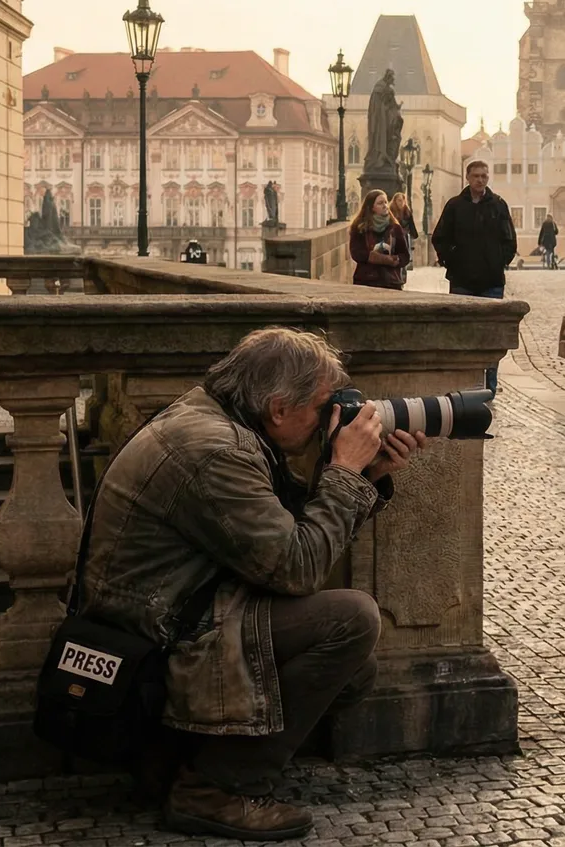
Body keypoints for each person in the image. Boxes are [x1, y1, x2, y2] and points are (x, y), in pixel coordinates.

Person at [81, 327, 426, 840]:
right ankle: (215, 789)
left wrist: (365, 476)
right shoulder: (215, 450)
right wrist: (343, 472)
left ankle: (181, 760)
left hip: (178, 609)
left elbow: (280, 534)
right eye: (322, 407)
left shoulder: (218, 418)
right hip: (158, 636)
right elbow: (298, 567)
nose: (330, 420)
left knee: (355, 670)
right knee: (352, 621)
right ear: (280, 409)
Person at [431, 160, 517, 392]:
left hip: (491, 281)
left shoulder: (498, 205)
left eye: (484, 176)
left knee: (491, 336)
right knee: (461, 333)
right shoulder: (455, 205)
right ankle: (463, 384)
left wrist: (499, 262)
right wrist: (450, 259)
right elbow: (440, 237)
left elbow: (510, 240)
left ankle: (489, 385)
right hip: (462, 280)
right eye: (476, 176)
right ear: (467, 177)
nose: (480, 180)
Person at [348, 190, 410, 291]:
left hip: (391, 281)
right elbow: (356, 253)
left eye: (385, 202)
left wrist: (394, 260)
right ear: (371, 207)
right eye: (380, 203)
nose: (385, 206)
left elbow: (405, 256)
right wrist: (377, 257)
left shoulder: (395, 228)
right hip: (367, 280)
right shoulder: (360, 227)